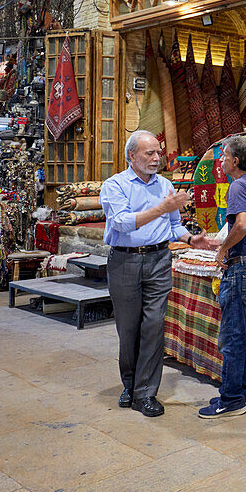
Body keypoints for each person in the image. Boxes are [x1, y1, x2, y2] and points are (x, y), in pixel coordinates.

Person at [100, 130, 208, 417]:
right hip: (125, 261)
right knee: (128, 328)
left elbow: (173, 224)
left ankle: (146, 393)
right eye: (149, 153)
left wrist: (189, 239)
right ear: (131, 155)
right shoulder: (115, 185)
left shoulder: (165, 185)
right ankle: (131, 385)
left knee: (153, 325)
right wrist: (162, 207)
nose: (157, 158)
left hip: (159, 259)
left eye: (158, 152)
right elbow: (122, 223)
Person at [199, 135, 246, 419]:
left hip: (241, 269)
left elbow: (242, 224)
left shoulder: (237, 187)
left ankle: (230, 399)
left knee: (231, 336)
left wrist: (223, 249)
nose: (220, 161)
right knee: (240, 334)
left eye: (223, 156)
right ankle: (240, 394)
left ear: (235, 161)